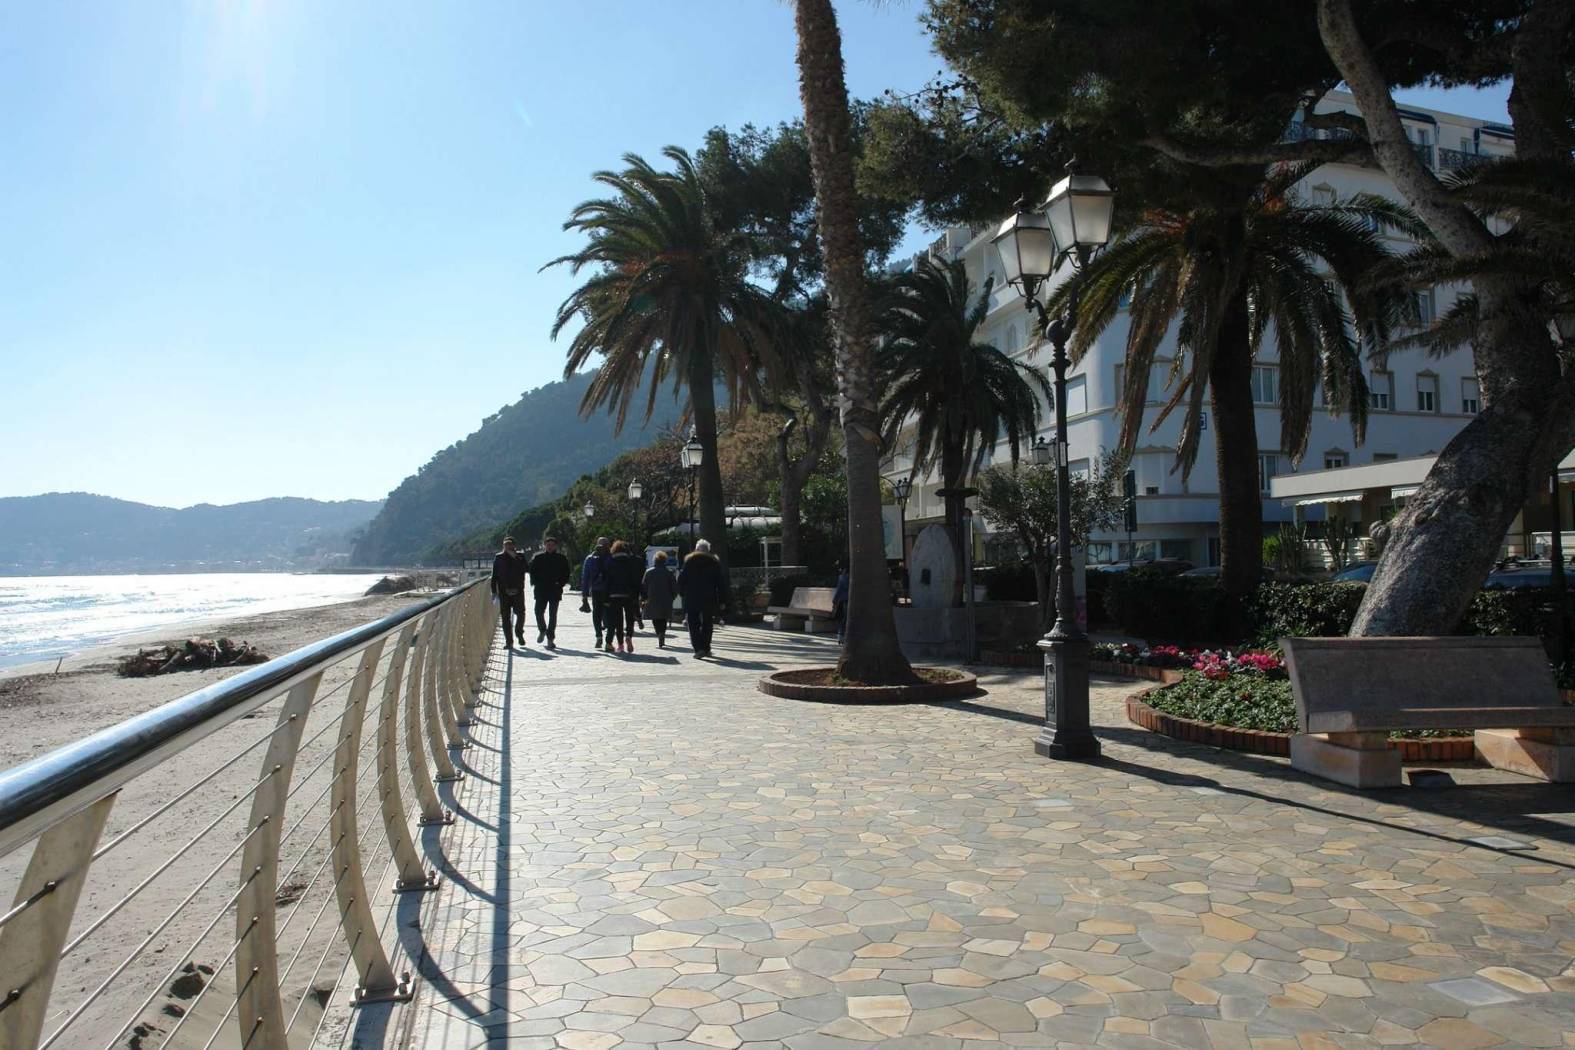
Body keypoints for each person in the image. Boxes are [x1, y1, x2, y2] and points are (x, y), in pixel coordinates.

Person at [678, 539, 727, 659]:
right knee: (707, 623)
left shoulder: (689, 562)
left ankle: (699, 648)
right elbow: (721, 583)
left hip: (692, 597)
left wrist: (682, 593)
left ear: (696, 549)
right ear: (708, 551)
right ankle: (706, 647)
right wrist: (722, 600)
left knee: (693, 623)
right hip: (709, 597)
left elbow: (681, 580)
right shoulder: (714, 563)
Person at [528, 536, 571, 648]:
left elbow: (566, 573)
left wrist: (560, 584)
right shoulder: (538, 558)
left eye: (552, 545)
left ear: (555, 546)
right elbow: (532, 572)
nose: (550, 547)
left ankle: (550, 638)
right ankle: (542, 629)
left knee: (553, 615)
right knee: (538, 612)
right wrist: (536, 583)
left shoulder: (561, 558)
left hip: (555, 590)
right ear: (544, 546)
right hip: (541, 590)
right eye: (548, 545)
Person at [490, 536, 530, 648]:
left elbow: (527, 569)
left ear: (514, 545)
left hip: (518, 590)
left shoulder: (520, 556)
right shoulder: (498, 557)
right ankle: (509, 642)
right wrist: (493, 591)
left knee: (521, 613)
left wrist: (516, 558)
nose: (507, 546)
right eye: (505, 544)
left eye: (510, 544)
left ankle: (519, 632)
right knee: (505, 617)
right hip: (504, 591)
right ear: (503, 545)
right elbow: (494, 575)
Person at [605, 540, 643, 653]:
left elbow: (607, 580)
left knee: (618, 620)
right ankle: (629, 636)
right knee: (629, 618)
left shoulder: (610, 562)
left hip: (614, 594)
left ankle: (620, 644)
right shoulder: (631, 562)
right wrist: (639, 594)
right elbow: (636, 579)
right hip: (629, 594)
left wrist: (605, 597)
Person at [579, 537, 612, 649]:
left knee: (596, 614)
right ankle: (608, 640)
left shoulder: (590, 558)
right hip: (608, 590)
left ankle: (599, 636)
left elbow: (585, 578)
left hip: (596, 590)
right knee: (609, 614)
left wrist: (584, 594)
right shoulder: (611, 558)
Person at [641, 550, 678, 648]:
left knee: (655, 618)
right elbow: (674, 587)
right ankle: (662, 633)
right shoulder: (669, 572)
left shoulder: (649, 572)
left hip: (652, 599)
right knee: (663, 618)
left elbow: (644, 586)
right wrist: (673, 596)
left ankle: (659, 633)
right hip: (666, 599)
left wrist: (643, 598)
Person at [833, 561, 850, 644]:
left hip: (844, 599)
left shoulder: (842, 578)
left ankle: (841, 635)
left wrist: (835, 600)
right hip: (846, 599)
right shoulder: (849, 577)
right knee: (845, 617)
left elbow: (839, 590)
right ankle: (842, 635)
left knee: (844, 617)